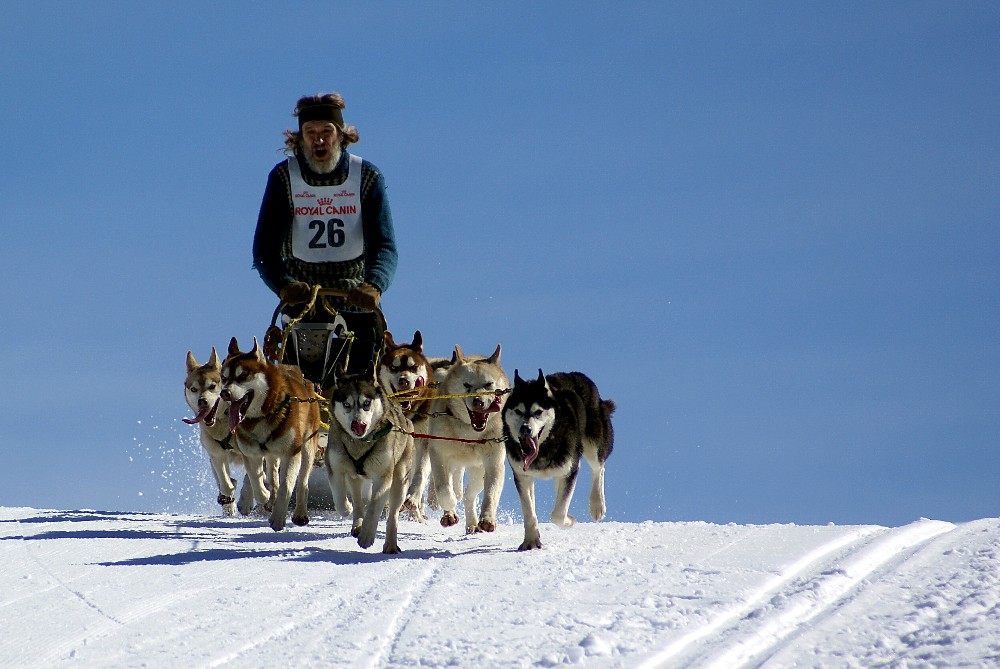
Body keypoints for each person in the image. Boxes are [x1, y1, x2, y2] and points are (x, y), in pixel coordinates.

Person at [253, 93, 397, 383]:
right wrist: (284, 285)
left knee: (362, 389)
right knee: (298, 391)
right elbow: (264, 249)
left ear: (341, 136)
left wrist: (375, 285)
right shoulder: (283, 178)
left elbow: (385, 245)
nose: (319, 140)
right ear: (300, 139)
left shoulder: (367, 176)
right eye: (311, 133)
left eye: (326, 132)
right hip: (302, 303)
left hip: (356, 300)